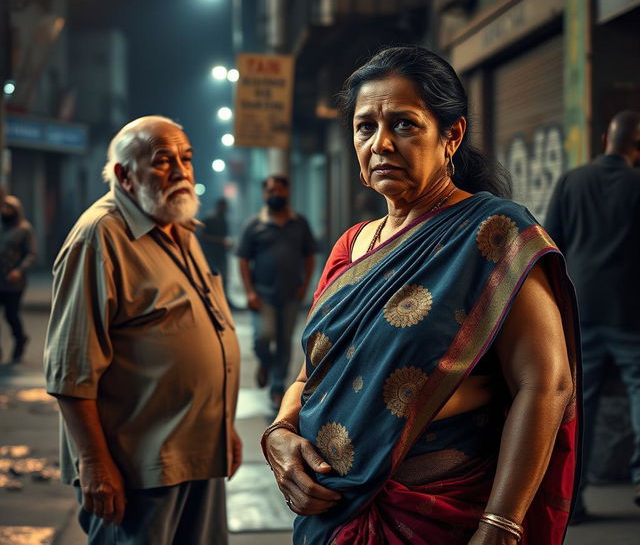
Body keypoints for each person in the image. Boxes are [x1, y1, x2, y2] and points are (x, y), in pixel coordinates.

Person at [261, 46, 580, 544]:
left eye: (404, 125)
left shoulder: (493, 234)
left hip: (437, 514)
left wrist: (501, 524)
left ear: (451, 135)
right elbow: (312, 373)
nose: (381, 144)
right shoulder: (351, 247)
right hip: (334, 514)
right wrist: (279, 433)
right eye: (365, 127)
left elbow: (546, 384)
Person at [44, 116, 241, 545]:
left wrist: (222, 428)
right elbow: (69, 372)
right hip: (136, 470)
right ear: (123, 174)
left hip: (197, 453)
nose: (180, 172)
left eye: (186, 159)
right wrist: (95, 464)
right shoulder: (99, 237)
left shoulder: (179, 225)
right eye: (162, 161)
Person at [545, 110, 640, 516]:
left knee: (578, 404)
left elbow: (550, 244)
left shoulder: (572, 180)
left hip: (580, 308)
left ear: (605, 137)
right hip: (629, 311)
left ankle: (573, 499)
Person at [237, 175, 316, 408]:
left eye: (279, 189)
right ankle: (265, 362)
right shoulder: (254, 224)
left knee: (284, 342)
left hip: (291, 294)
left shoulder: (299, 223)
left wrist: (305, 286)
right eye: (270, 190)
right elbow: (242, 259)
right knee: (263, 337)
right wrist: (250, 292)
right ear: (264, 194)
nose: (275, 194)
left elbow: (309, 255)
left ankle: (277, 387)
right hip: (263, 295)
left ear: (287, 192)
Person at [0, 195, 36, 363]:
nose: (5, 212)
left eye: (9, 209)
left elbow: (31, 254)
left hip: (14, 281)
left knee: (11, 314)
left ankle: (20, 340)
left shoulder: (24, 229)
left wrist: (19, 271)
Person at [200, 197, 233, 299]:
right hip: (210, 254)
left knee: (224, 278)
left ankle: (225, 300)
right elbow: (202, 236)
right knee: (211, 278)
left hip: (221, 253)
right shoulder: (209, 218)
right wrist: (220, 241)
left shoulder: (223, 218)